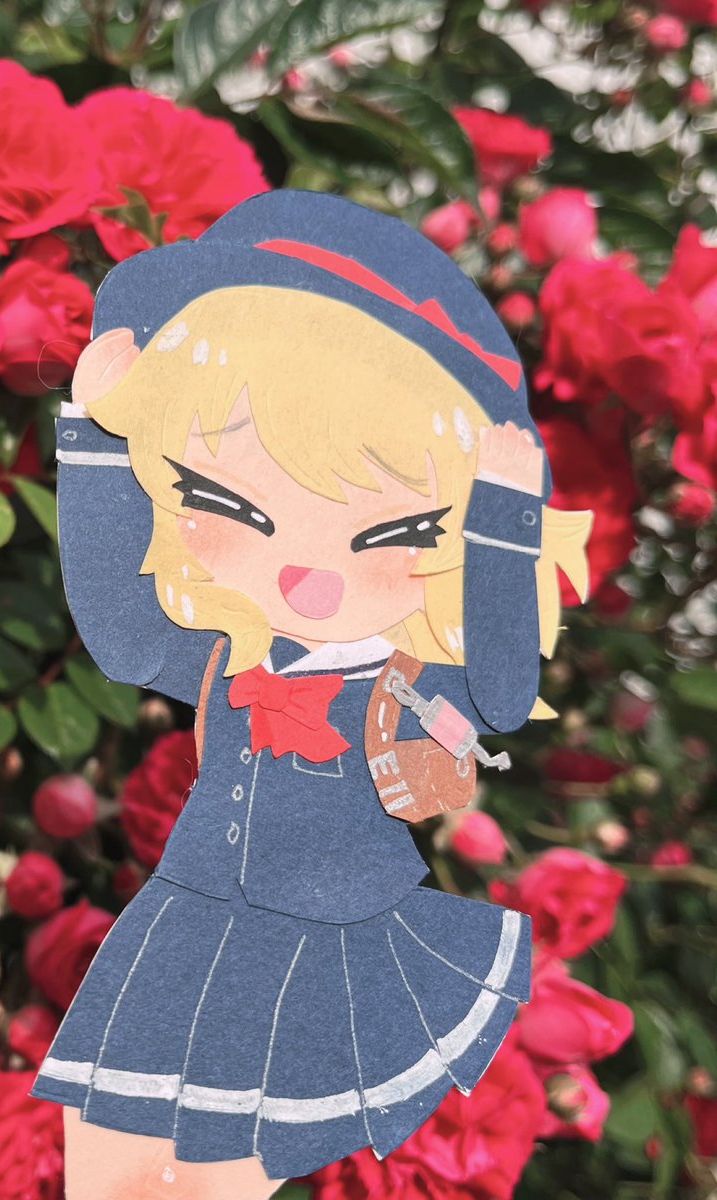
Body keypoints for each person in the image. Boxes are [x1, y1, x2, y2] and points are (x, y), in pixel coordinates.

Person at [29, 191, 592, 1200]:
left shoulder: (408, 677)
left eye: (393, 533)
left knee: (215, 1177)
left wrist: (503, 520)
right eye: (233, 504)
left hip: (328, 936)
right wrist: (104, 439)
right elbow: (122, 631)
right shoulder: (227, 653)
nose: (307, 575)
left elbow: (503, 694)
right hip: (190, 912)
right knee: (105, 1157)